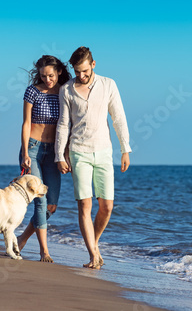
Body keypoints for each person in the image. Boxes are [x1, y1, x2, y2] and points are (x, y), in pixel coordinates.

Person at [55, 46, 131, 269]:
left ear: (93, 64)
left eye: (85, 71)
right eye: (78, 71)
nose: (81, 76)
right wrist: (60, 155)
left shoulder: (108, 85)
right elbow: (63, 124)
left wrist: (125, 149)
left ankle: (93, 243)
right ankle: (92, 255)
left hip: (104, 152)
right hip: (79, 151)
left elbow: (118, 118)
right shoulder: (67, 90)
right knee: (85, 205)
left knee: (107, 206)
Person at [17, 55, 72, 262]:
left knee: (51, 205)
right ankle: (44, 251)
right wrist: (24, 152)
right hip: (32, 148)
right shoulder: (32, 91)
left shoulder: (65, 91)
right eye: (43, 76)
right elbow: (25, 123)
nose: (47, 79)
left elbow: (69, 125)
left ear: (58, 72)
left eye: (50, 75)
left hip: (54, 153)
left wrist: (65, 154)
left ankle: (21, 239)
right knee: (40, 202)